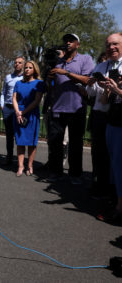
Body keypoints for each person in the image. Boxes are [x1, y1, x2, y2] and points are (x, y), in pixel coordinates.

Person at [47, 33, 94, 184]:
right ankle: (56, 172)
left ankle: (75, 174)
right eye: (65, 41)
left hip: (77, 107)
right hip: (58, 107)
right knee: (55, 143)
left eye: (71, 41)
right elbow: (52, 86)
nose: (67, 43)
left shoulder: (85, 59)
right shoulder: (58, 61)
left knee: (75, 144)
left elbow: (87, 80)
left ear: (77, 44)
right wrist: (50, 80)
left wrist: (66, 72)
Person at [92, 33, 122, 222]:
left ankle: (119, 208)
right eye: (108, 44)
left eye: (115, 44)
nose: (111, 47)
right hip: (112, 120)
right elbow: (103, 102)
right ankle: (116, 201)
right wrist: (106, 89)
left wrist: (118, 90)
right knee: (114, 166)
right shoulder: (104, 66)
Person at [86, 50, 111, 199]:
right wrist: (91, 83)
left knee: (108, 152)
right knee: (96, 151)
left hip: (111, 114)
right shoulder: (98, 69)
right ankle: (96, 181)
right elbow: (92, 93)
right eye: (101, 61)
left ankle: (107, 183)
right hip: (97, 114)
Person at [12, 61, 45, 176]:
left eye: (30, 68)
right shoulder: (18, 83)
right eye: (26, 67)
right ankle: (20, 166)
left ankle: (29, 165)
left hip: (31, 114)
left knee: (31, 142)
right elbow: (14, 99)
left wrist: (23, 112)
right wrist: (17, 112)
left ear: (35, 70)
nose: (27, 69)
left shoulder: (39, 83)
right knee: (20, 142)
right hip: (19, 115)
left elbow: (36, 101)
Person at [0, 56, 25, 165]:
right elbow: (3, 93)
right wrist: (2, 105)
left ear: (23, 64)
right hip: (8, 108)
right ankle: (9, 157)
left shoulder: (25, 78)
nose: (17, 64)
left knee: (20, 135)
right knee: (9, 135)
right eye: (15, 62)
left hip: (20, 109)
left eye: (19, 62)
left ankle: (21, 160)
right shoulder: (8, 77)